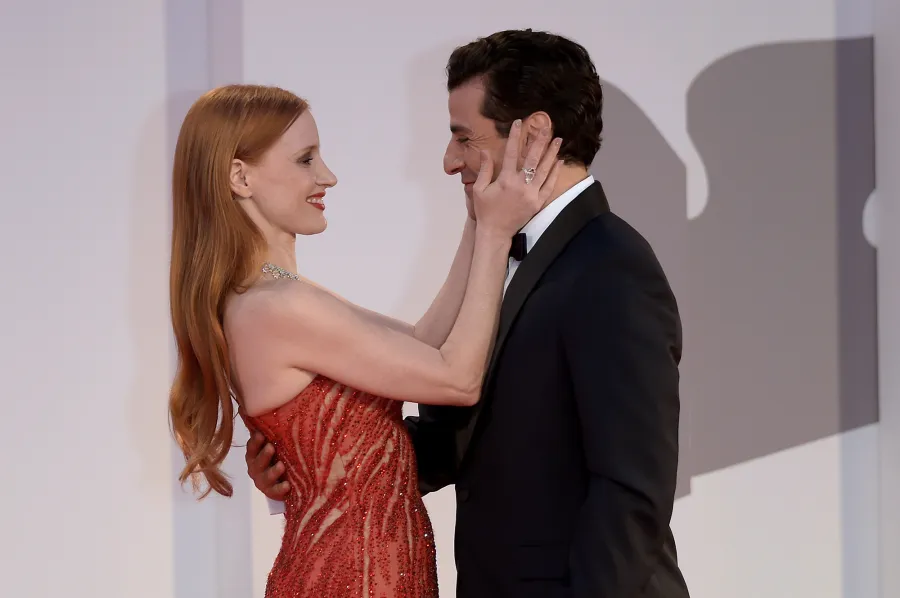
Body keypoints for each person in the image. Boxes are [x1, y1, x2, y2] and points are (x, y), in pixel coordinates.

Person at [249, 29, 691, 598]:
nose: (448, 160)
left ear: (533, 135)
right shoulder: (500, 252)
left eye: (464, 138)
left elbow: (633, 490)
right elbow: (449, 443)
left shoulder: (612, 269)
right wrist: (309, 470)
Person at [168, 83, 562, 598]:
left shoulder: (281, 296)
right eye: (306, 160)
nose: (326, 176)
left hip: (368, 571)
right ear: (239, 177)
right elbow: (456, 379)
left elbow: (425, 343)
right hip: (349, 579)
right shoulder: (274, 307)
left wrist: (475, 217)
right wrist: (493, 234)